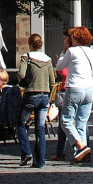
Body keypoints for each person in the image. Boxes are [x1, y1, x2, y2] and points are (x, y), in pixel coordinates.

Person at [57, 27, 93, 163]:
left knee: (66, 120)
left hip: (75, 87)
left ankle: (80, 146)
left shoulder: (71, 51)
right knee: (81, 122)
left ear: (74, 39)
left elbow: (59, 66)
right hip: (89, 89)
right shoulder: (92, 52)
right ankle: (82, 153)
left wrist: (64, 50)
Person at [18, 34, 56, 168]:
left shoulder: (26, 57)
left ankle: (26, 152)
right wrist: (49, 97)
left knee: (21, 124)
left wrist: (22, 81)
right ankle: (39, 161)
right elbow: (52, 81)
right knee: (40, 128)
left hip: (30, 94)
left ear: (30, 44)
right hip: (44, 96)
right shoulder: (48, 59)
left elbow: (22, 74)